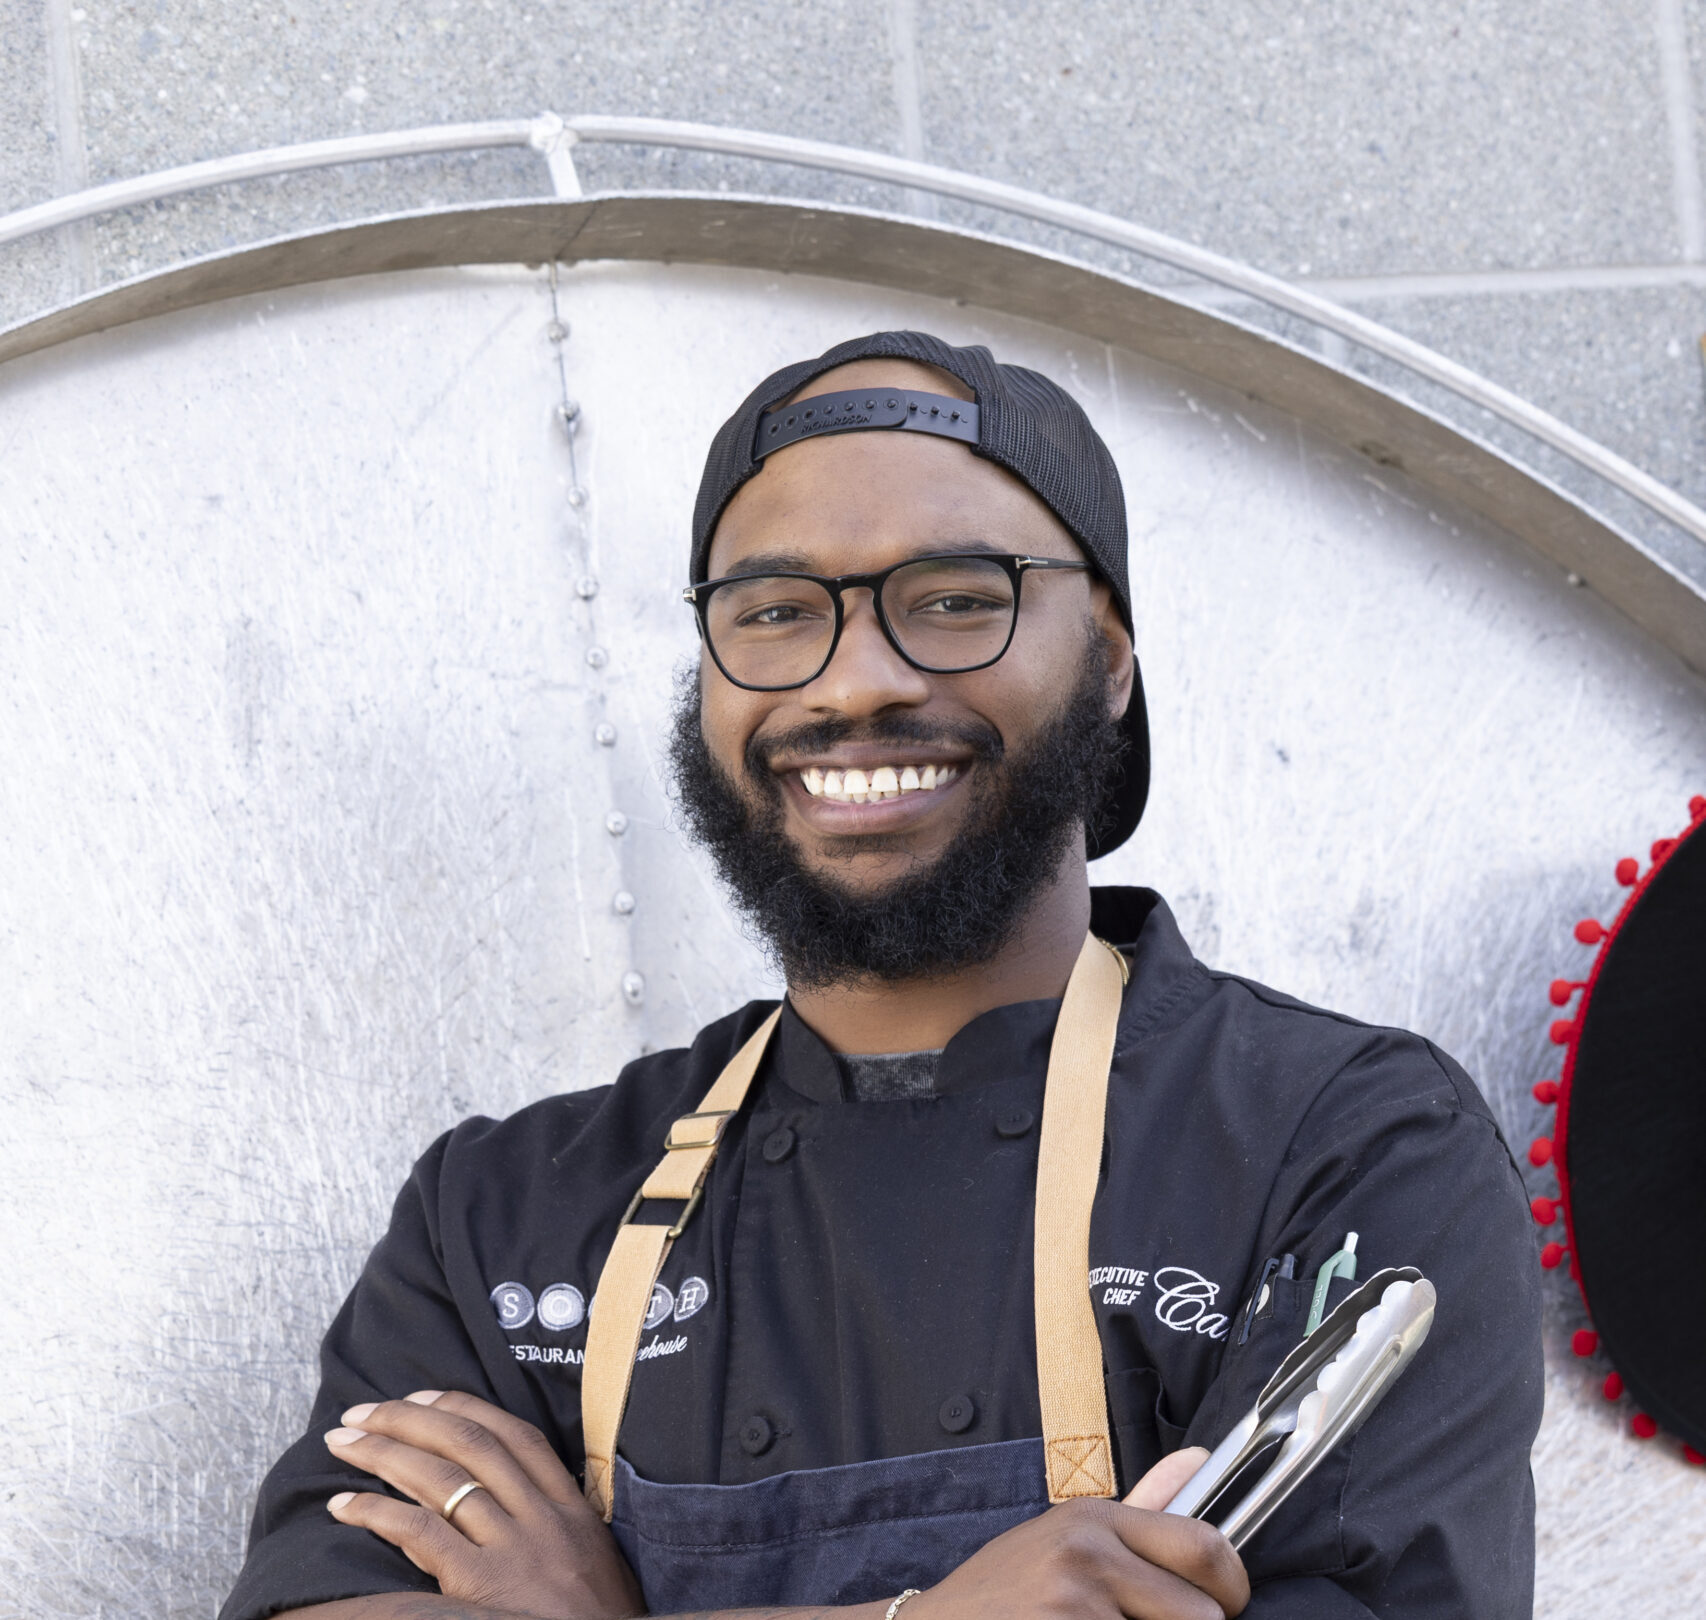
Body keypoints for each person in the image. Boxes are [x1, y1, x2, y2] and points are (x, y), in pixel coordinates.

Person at [219, 331, 1542, 1620]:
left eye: (955, 600)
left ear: (1109, 659)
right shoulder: (504, 1212)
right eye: (774, 613)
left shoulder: (1340, 1145)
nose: (854, 683)